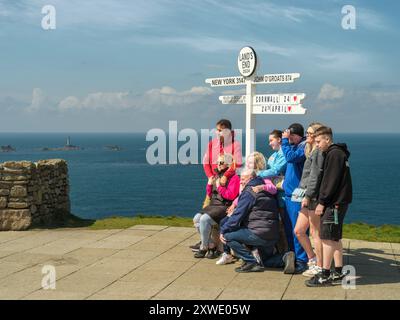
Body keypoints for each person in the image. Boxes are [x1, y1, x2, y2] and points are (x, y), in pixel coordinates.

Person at [218, 169, 295, 273]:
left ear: (251, 178)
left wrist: (223, 230)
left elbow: (237, 216)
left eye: (243, 179)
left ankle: (250, 262)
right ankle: (284, 258)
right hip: (272, 234)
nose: (240, 182)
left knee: (227, 236)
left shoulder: (249, 192)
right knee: (265, 261)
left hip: (258, 233)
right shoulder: (266, 188)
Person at [305, 126, 352, 287]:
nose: (317, 145)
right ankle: (338, 272)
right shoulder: (338, 153)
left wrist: (322, 202)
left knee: (326, 238)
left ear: (327, 139)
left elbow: (330, 182)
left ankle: (325, 275)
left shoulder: (333, 154)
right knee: (335, 237)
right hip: (339, 202)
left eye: (318, 141)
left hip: (333, 204)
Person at [217, 152, 277, 265]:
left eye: (251, 162)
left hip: (255, 220)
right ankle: (228, 253)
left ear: (257, 164)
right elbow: (242, 196)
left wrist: (262, 187)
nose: (248, 164)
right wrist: (234, 204)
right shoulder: (251, 179)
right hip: (263, 223)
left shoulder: (262, 178)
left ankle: (249, 259)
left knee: (227, 230)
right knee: (226, 222)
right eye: (247, 161)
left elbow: (273, 189)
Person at [192, 153, 240, 259]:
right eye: (217, 162)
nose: (218, 164)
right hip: (213, 205)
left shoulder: (234, 178)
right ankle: (211, 244)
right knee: (196, 218)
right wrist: (209, 184)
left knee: (204, 219)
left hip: (224, 206)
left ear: (228, 164)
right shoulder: (217, 176)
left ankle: (203, 247)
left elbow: (231, 196)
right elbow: (210, 195)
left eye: (221, 162)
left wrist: (219, 187)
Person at [293, 122, 325, 277]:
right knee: (299, 231)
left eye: (310, 132)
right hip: (307, 195)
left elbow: (315, 177)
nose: (307, 135)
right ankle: (312, 259)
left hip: (312, 197)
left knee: (315, 232)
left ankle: (320, 265)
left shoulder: (318, 152)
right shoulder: (311, 150)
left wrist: (308, 195)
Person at [281, 123, 308, 274]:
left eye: (291, 136)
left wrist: (285, 141)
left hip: (297, 195)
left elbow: (291, 158)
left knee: (298, 230)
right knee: (290, 229)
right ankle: (293, 256)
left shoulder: (304, 147)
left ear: (297, 135)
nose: (289, 138)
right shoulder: (294, 146)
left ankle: (302, 260)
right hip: (289, 194)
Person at [257, 129, 288, 253]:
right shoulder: (273, 156)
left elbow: (275, 170)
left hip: (284, 197)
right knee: (279, 226)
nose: (269, 143)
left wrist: (257, 174)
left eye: (271, 140)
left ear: (279, 139)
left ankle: (288, 251)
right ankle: (280, 250)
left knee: (286, 226)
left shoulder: (284, 154)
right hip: (275, 195)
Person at [202, 119, 242, 189]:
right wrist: (210, 176)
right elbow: (206, 162)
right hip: (214, 182)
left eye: (220, 131)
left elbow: (237, 163)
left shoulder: (235, 145)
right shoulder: (211, 144)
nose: (217, 132)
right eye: (217, 130)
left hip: (228, 183)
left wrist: (225, 176)